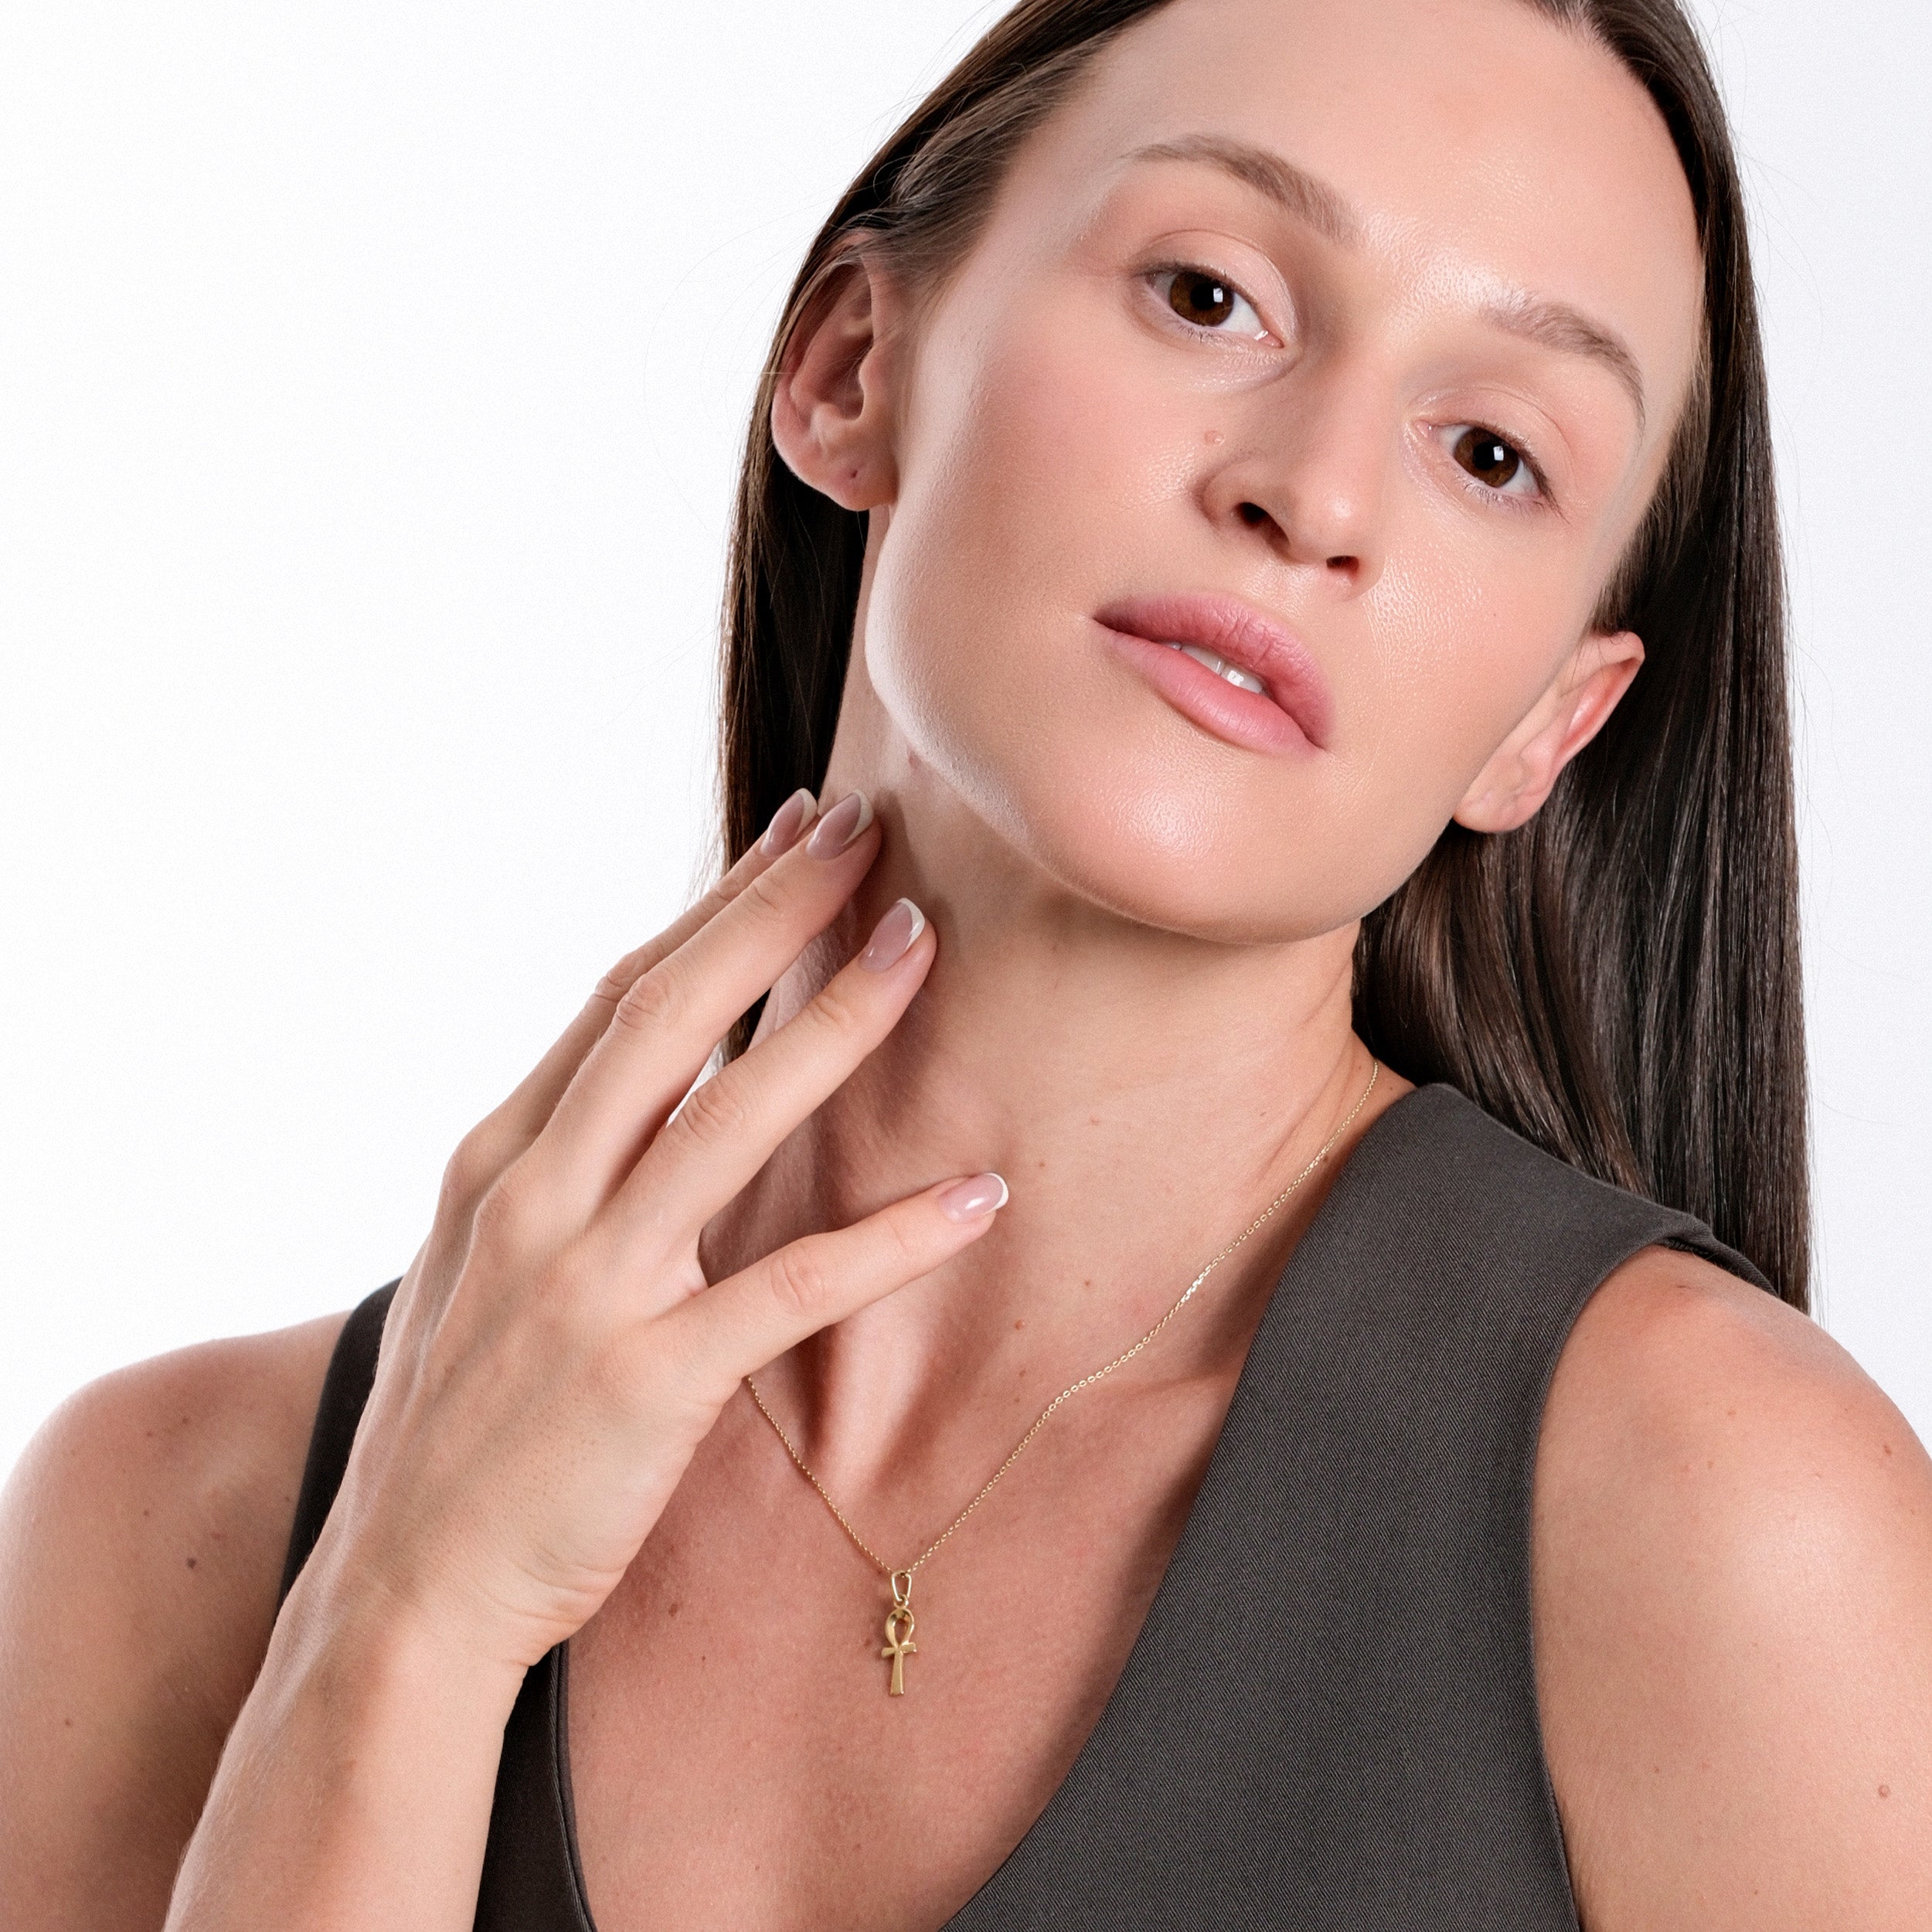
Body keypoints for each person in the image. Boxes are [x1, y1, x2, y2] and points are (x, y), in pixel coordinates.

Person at [3, 0, 1928, 1924]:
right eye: (1207, 295)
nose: (1314, 496)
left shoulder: (1718, 1523)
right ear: (853, 365)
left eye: (1491, 448)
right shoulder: (171, 1518)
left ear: (1547, 730)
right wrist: (402, 1621)